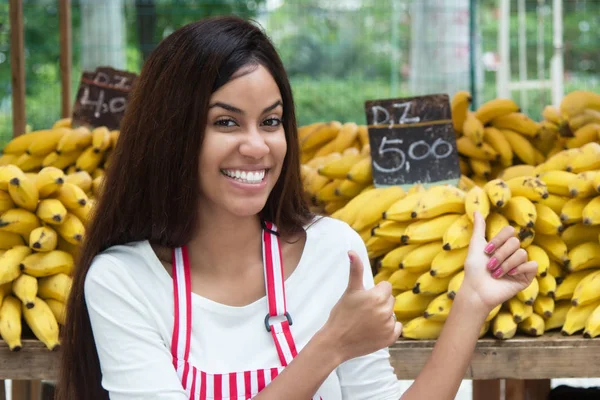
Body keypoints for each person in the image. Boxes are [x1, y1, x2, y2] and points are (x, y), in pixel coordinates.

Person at [57, 16, 538, 400]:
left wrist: (473, 300)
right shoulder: (124, 280)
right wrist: (330, 345)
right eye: (226, 122)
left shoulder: (333, 252)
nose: (256, 146)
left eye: (271, 121)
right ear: (170, 134)